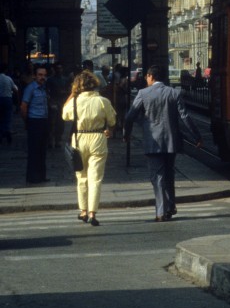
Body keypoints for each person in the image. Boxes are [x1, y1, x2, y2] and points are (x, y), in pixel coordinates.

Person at [124, 64, 203, 222]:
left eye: (146, 76)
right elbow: (185, 117)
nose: (146, 79)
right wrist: (197, 137)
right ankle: (170, 206)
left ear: (151, 77)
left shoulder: (143, 93)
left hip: (152, 142)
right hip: (171, 141)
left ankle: (161, 211)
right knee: (169, 174)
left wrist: (127, 133)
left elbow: (130, 116)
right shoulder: (174, 93)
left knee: (157, 176)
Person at [62, 70, 116, 226]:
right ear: (95, 84)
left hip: (79, 139)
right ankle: (93, 212)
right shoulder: (102, 101)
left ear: (78, 86)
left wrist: (72, 95)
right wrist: (108, 128)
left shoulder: (75, 101)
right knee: (95, 178)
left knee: (81, 177)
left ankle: (83, 211)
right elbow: (112, 120)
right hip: (98, 138)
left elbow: (64, 115)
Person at [20, 65, 51, 183]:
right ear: (34, 76)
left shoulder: (44, 88)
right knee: (34, 150)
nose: (42, 77)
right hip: (34, 121)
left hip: (44, 121)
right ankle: (33, 177)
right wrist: (26, 121)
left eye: (44, 75)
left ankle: (41, 176)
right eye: (40, 75)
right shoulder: (30, 88)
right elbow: (23, 106)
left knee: (42, 150)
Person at [0, 68, 16, 144]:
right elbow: (15, 88)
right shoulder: (8, 78)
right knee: (7, 117)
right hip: (8, 99)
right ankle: (7, 130)